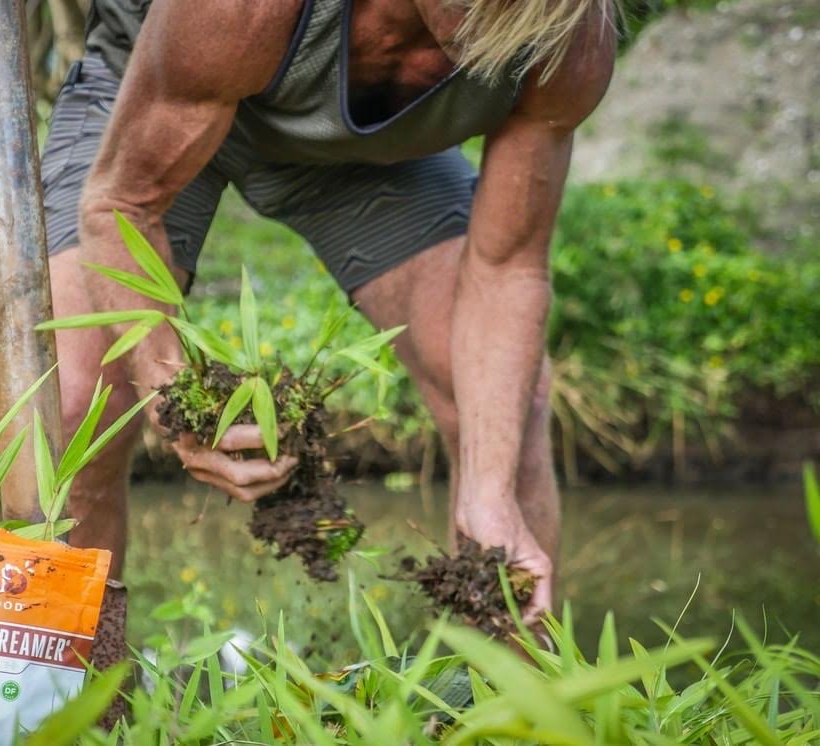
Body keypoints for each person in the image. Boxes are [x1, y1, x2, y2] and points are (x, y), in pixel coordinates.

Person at [40, 0, 617, 623]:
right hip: (153, 98)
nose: (490, 28)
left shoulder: (567, 35)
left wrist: (491, 491)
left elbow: (508, 268)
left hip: (362, 155)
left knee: (506, 408)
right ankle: (63, 700)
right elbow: (121, 204)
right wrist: (173, 394)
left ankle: (509, 707)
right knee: (74, 400)